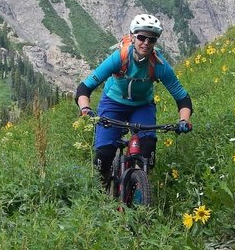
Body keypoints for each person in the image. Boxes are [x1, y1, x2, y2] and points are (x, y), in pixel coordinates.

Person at [75, 13, 192, 186]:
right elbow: (84, 88)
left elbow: (182, 97)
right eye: (141, 37)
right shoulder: (120, 57)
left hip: (142, 106)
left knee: (147, 150)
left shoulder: (158, 64)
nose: (146, 42)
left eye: (151, 40)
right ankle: (104, 190)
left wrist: (184, 120)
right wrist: (85, 109)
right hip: (113, 103)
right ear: (132, 37)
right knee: (104, 154)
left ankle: (140, 193)